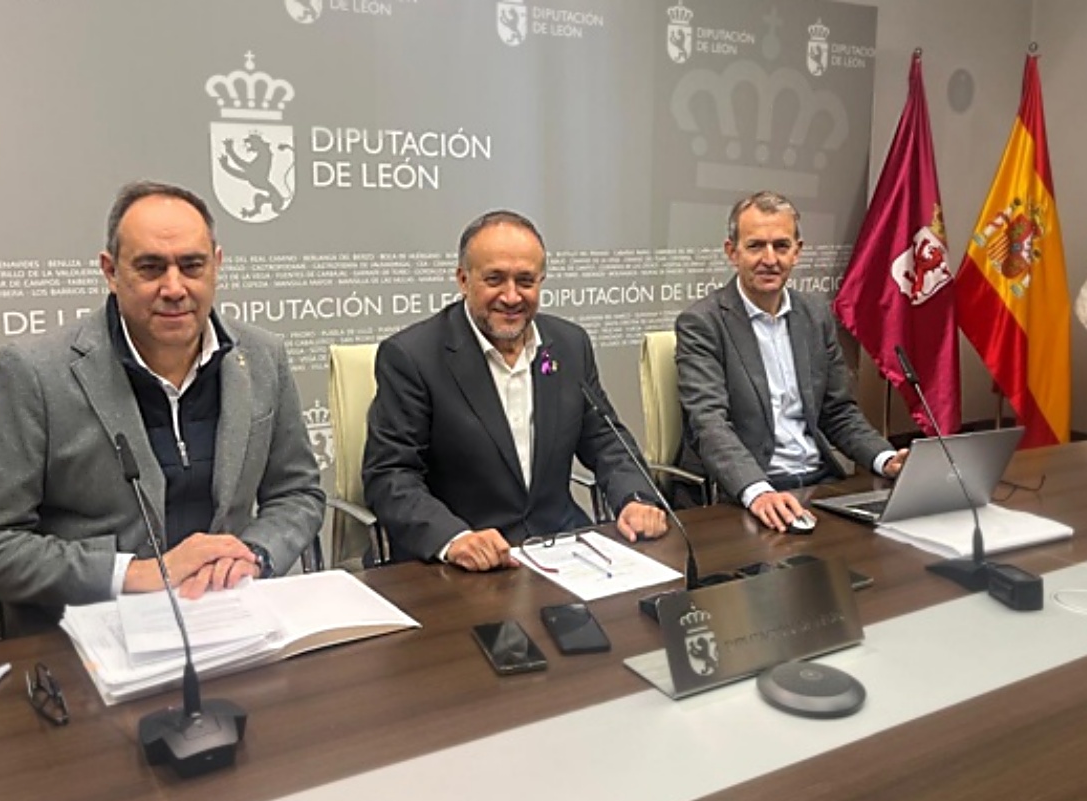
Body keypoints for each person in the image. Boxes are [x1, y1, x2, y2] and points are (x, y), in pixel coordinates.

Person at [0, 181, 325, 634]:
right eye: (150, 267)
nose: (174, 287)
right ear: (110, 271)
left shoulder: (263, 357)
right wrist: (135, 573)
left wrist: (253, 556)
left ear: (216, 266)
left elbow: (297, 493)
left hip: (227, 624)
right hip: (86, 638)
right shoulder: (36, 374)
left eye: (192, 265)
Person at [363, 210, 667, 570]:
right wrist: (454, 538)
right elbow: (391, 476)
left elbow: (606, 439)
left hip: (562, 549)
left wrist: (635, 499)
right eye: (494, 279)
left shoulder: (569, 344)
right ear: (463, 279)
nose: (511, 296)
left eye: (525, 281)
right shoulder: (412, 357)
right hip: (461, 564)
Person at [675, 191, 908, 532]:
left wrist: (886, 459)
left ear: (797, 252)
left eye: (781, 246)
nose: (770, 259)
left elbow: (838, 411)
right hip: (747, 492)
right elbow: (709, 424)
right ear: (732, 252)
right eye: (755, 246)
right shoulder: (703, 323)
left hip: (819, 484)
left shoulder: (815, 316)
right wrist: (757, 492)